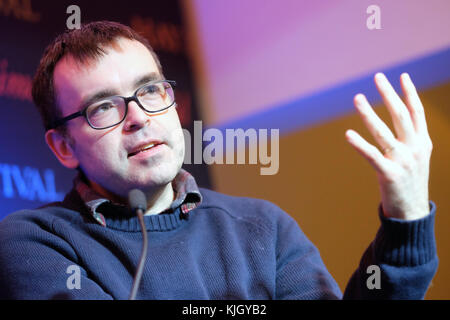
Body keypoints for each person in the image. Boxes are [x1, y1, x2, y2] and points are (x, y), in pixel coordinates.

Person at [0, 21, 437, 300]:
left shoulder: (264, 227)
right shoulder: (31, 244)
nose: (138, 118)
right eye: (103, 107)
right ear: (62, 146)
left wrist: (406, 220)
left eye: (150, 90)